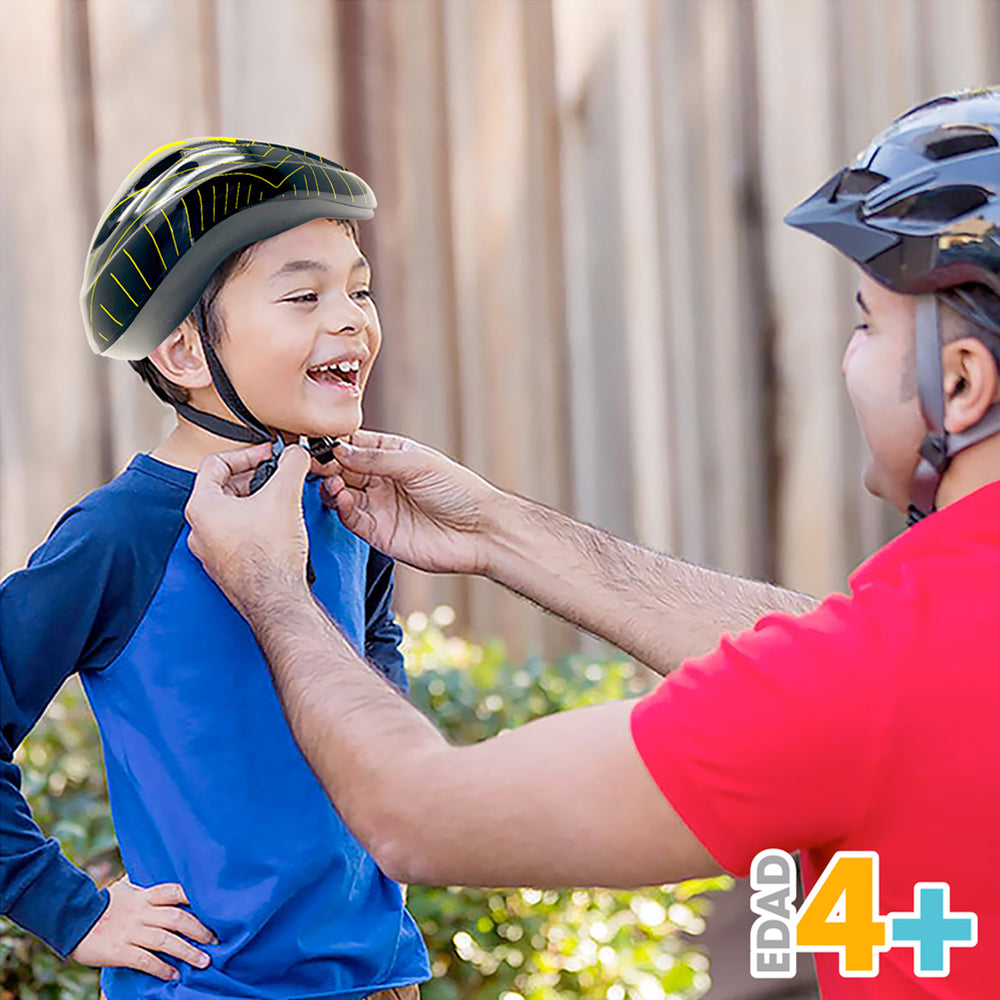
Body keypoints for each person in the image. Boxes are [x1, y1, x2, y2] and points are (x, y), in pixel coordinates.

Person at [184, 88, 1000, 999]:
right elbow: (828, 658)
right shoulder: (918, 649)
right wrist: (494, 525)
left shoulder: (882, 676)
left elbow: (419, 812)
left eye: (866, 324)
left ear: (960, 383)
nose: (849, 354)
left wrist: (275, 594)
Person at [0, 137, 429, 1000]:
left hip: (383, 979)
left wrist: (398, 806)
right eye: (305, 294)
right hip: (210, 987)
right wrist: (70, 910)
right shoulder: (121, 534)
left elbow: (373, 647)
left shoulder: (344, 495)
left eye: (359, 288)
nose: (350, 317)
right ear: (186, 353)